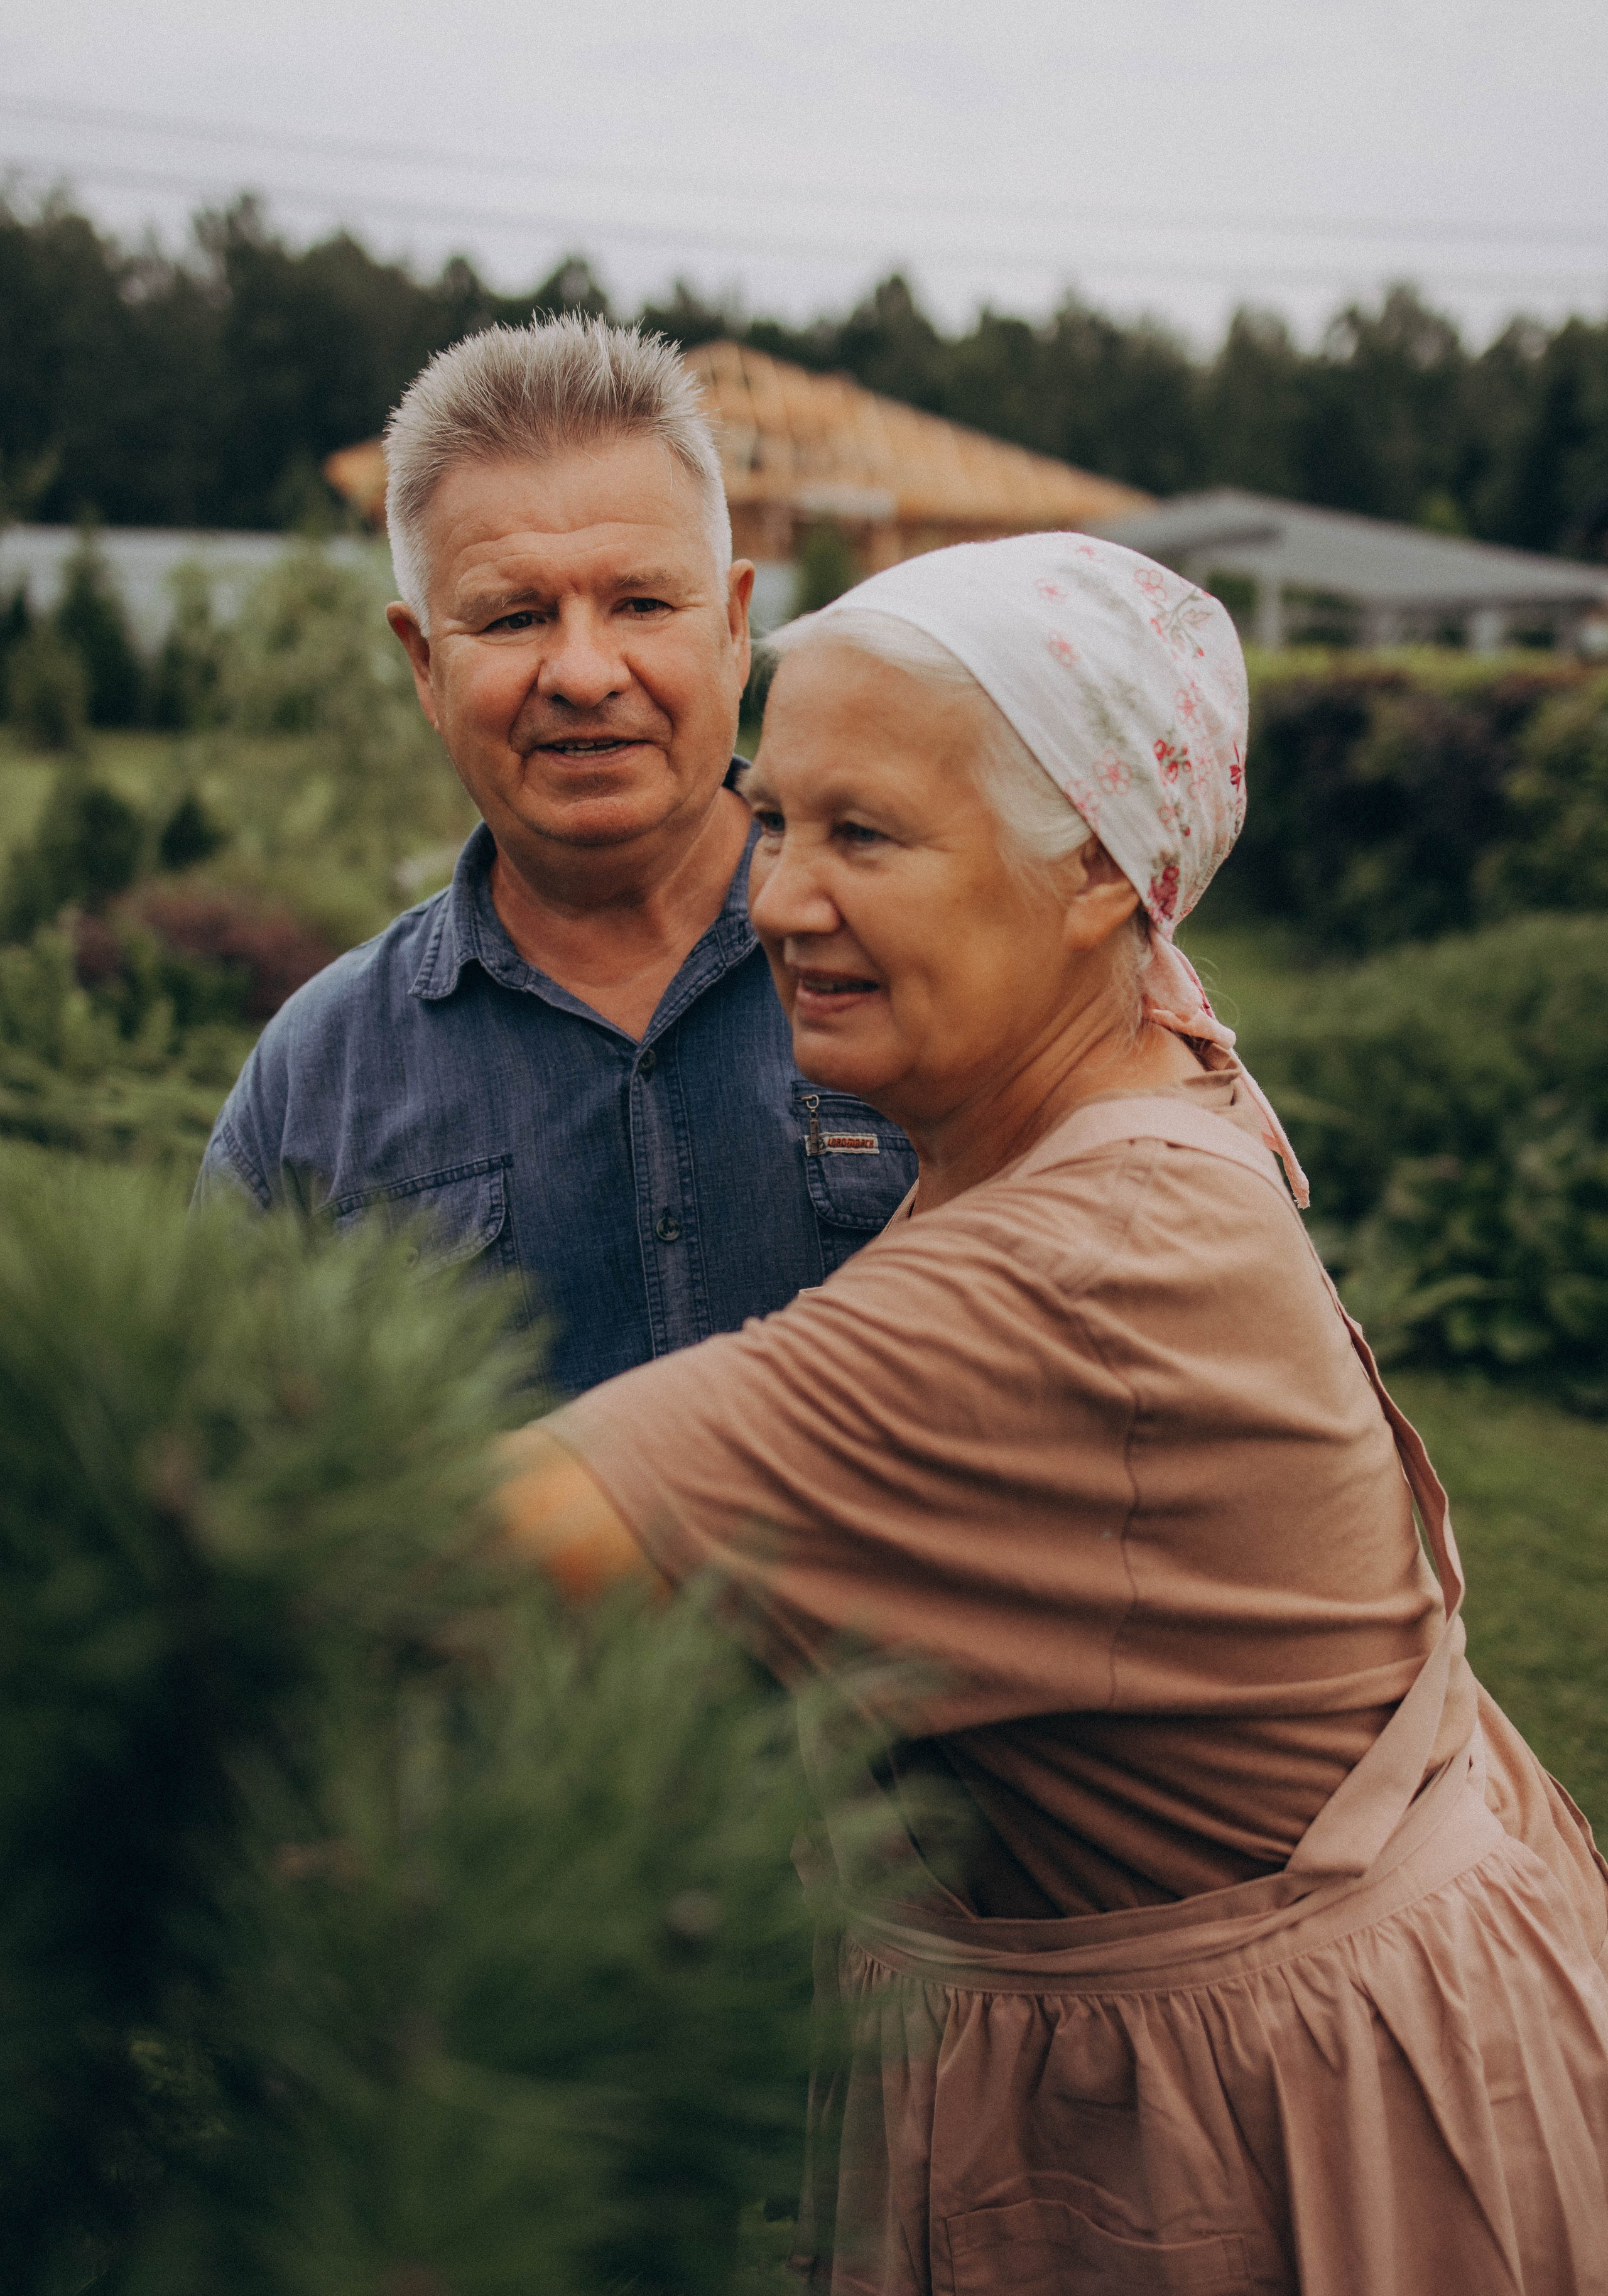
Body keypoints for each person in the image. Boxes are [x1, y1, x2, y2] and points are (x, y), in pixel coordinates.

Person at [497, 533, 1608, 2294]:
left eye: (864, 835)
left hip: (1287, 2164)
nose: (775, 898)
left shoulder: (1091, 1273)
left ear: (1099, 867)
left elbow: (487, 1547)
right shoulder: (1132, 1077)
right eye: (775, 817)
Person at [198, 317, 914, 1392]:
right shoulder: (316, 1088)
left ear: (731, 627)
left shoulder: (934, 950)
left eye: (640, 601)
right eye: (516, 615)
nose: (583, 671)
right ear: (425, 664)